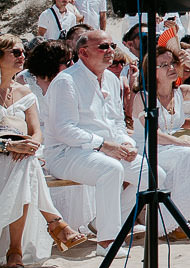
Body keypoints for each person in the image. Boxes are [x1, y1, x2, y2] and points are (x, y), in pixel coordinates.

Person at [41, 30, 150, 254]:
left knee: (152, 174)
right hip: (65, 153)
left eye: (111, 45)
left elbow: (117, 121)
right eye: (103, 47)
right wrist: (103, 145)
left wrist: (125, 144)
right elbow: (64, 130)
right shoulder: (66, 81)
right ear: (83, 52)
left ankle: (101, 223)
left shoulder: (111, 79)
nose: (110, 51)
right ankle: (106, 241)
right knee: (110, 170)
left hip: (103, 150)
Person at [1, 34, 90, 265]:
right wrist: (9, 145)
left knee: (25, 162)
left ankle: (19, 248)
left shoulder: (24, 93)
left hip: (21, 155)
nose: (23, 57)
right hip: (5, 150)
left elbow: (36, 131)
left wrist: (31, 145)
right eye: (16, 53)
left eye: (23, 52)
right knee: (24, 164)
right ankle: (52, 226)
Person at [130, 45, 190, 239]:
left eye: (172, 63)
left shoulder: (180, 92)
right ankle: (176, 221)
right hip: (151, 147)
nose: (171, 67)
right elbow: (154, 134)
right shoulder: (143, 97)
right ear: (153, 71)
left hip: (173, 144)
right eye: (164, 64)